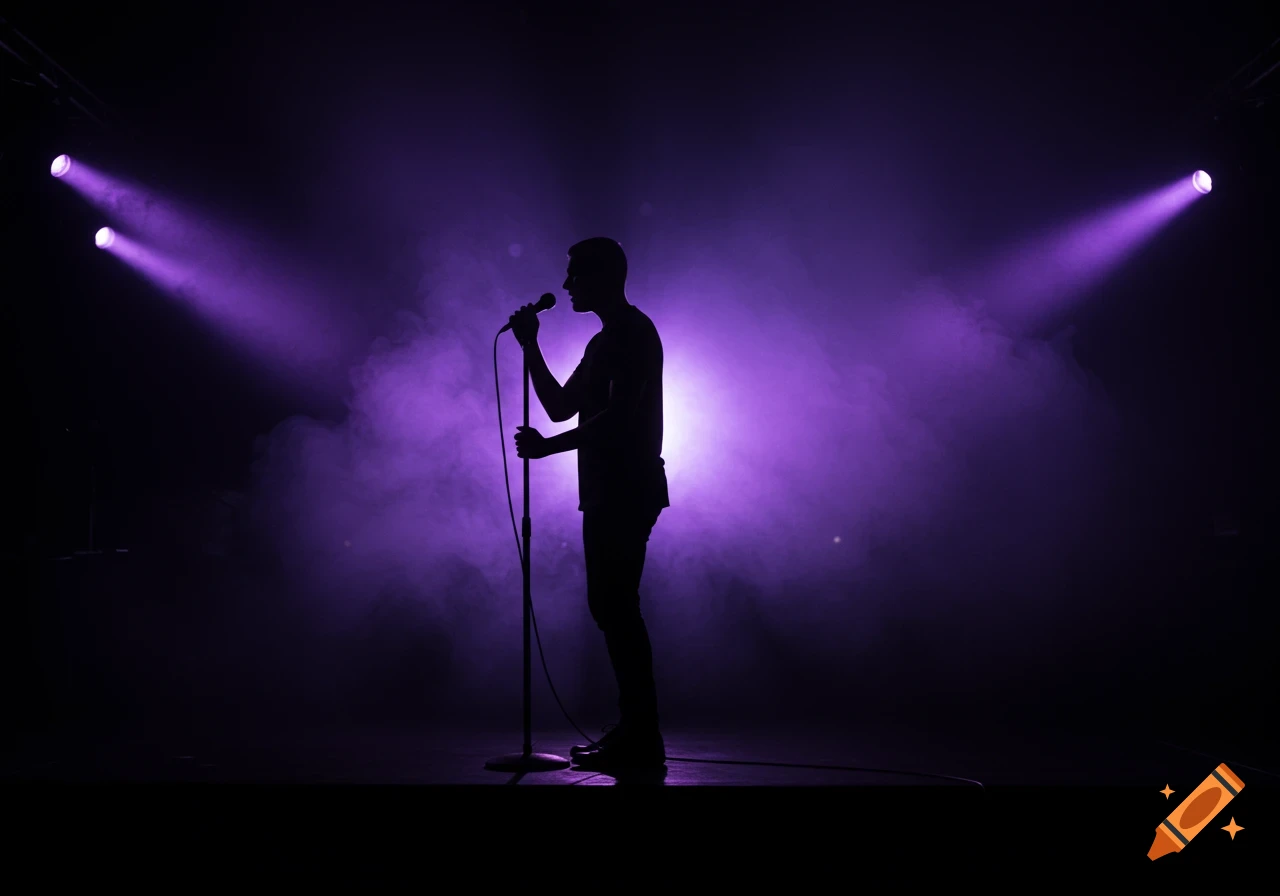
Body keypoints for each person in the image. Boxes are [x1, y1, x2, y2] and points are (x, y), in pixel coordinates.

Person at [507, 237, 670, 771]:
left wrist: (547, 449)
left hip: (627, 488)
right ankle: (636, 730)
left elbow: (621, 418)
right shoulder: (603, 343)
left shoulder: (633, 334)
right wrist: (530, 346)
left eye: (575, 274)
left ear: (603, 276)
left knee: (616, 605)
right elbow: (557, 407)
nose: (567, 284)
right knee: (611, 605)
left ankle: (641, 734)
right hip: (604, 490)